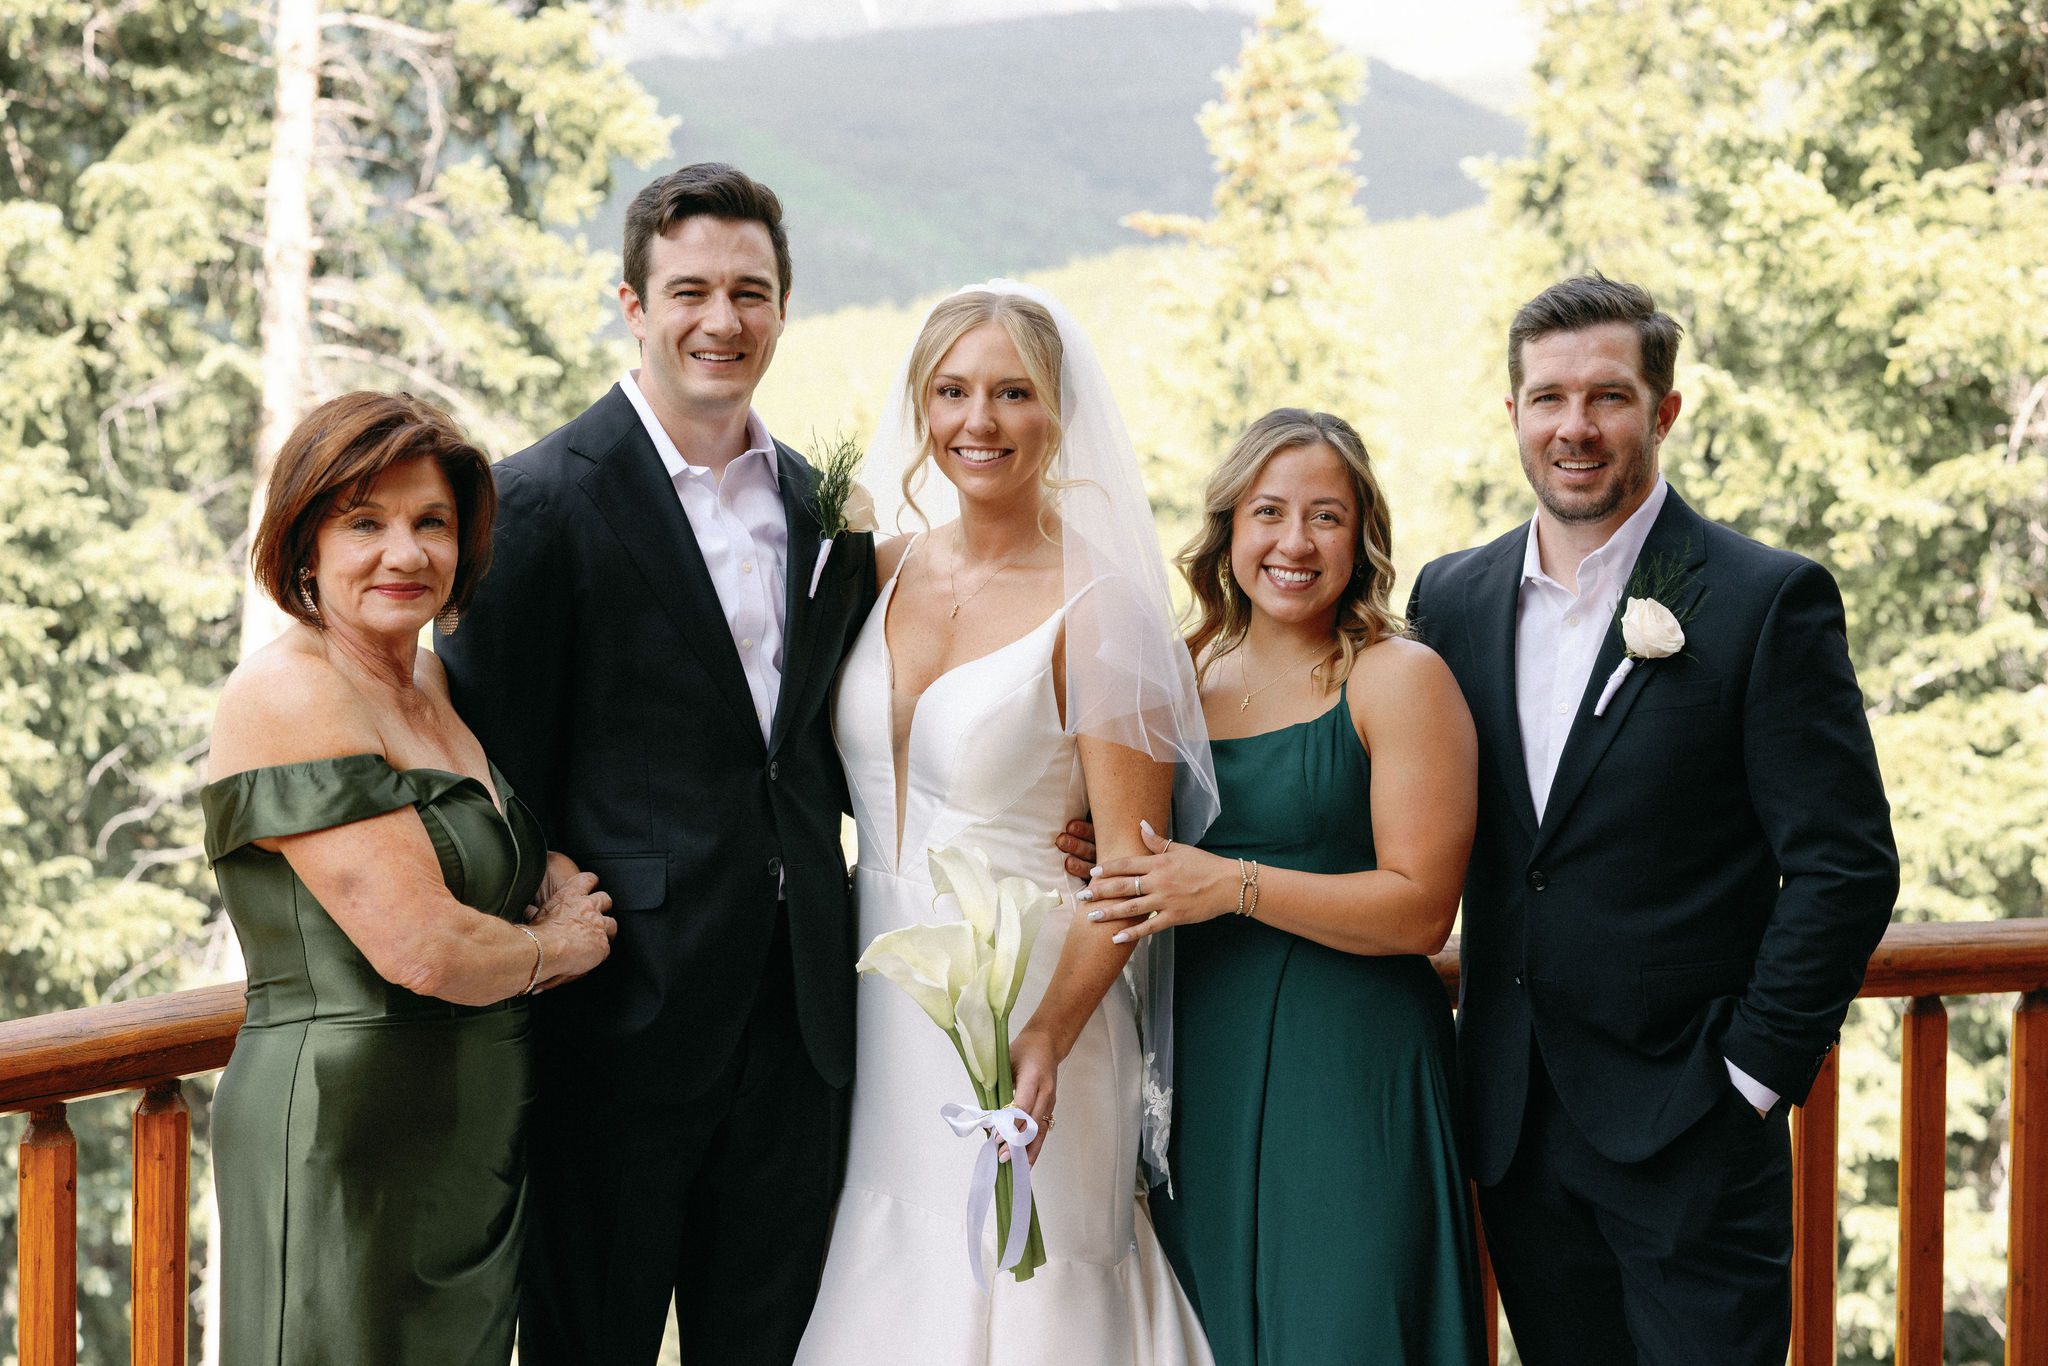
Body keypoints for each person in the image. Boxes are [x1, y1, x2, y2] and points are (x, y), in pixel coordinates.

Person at [1405, 273, 1899, 1365]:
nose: (1573, 427)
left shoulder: (1762, 600)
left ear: (1662, 411)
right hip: (1515, 1132)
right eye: (1546, 399)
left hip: (1693, 1131)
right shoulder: (1450, 600)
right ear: (1513, 415)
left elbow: (1843, 866)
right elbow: (1391, 806)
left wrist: (1747, 1080)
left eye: (1606, 396)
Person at [435, 163, 879, 1365]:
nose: (720, 321)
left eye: (749, 292)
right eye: (689, 291)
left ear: (782, 311)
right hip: (615, 1016)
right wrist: (550, 909)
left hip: (799, 1025)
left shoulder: (814, 500)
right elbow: (486, 765)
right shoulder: (532, 502)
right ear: (631, 306)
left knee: (772, 1340)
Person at [794, 283, 1219, 1365]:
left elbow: (1130, 869)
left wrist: (1044, 1034)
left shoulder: (1102, 604)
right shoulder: (879, 573)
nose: (977, 422)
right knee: (900, 1254)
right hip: (885, 999)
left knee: (1031, 1278)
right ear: (921, 408)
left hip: (1036, 1004)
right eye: (951, 392)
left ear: (1057, 414)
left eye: (1011, 393)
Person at [201, 391, 617, 1366]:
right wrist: (563, 943)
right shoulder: (290, 690)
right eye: (365, 523)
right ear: (304, 542)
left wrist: (553, 878)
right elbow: (423, 947)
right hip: (348, 1136)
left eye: (431, 522)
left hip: (469, 1139)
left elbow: (487, 846)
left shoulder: (425, 680)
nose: (406, 552)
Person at [1082, 408, 1487, 1365]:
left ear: (1363, 536)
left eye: (1325, 517)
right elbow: (1137, 848)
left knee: (1346, 1324)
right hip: (1201, 1064)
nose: (1294, 543)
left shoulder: (1400, 678)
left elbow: (1424, 908)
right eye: (1268, 512)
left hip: (1352, 1067)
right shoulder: (1176, 676)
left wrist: (1233, 886)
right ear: (1228, 531)